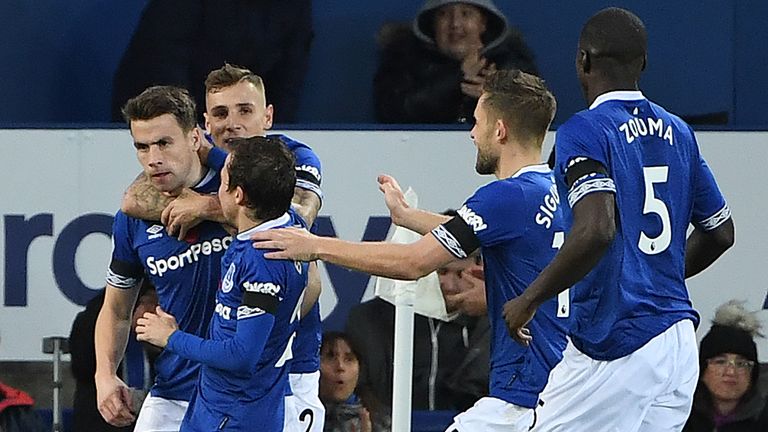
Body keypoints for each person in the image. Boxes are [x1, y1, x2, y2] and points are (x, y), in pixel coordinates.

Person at [251, 69, 571, 432]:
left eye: (477, 122)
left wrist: (316, 246)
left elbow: (412, 263)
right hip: (557, 384)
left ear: (500, 130)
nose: (471, 132)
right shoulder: (552, 191)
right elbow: (482, 232)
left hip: (525, 396)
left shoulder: (506, 196)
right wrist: (407, 216)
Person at [501, 8, 736, 431]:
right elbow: (720, 232)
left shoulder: (585, 130)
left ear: (582, 61)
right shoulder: (679, 131)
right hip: (677, 341)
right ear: (643, 64)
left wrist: (528, 300)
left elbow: (597, 228)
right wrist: (655, 277)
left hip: (616, 340)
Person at [120, 63, 326, 432]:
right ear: (204, 127)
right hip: (206, 385)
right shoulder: (202, 163)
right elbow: (132, 200)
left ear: (268, 116)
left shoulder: (290, 158)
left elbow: (298, 213)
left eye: (244, 111)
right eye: (220, 113)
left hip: (283, 376)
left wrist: (205, 206)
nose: (232, 124)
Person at [135, 136, 309, 432]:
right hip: (223, 407)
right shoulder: (287, 226)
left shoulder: (263, 261)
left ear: (238, 195)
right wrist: (206, 150)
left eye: (223, 180)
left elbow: (242, 356)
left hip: (234, 416)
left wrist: (171, 338)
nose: (217, 189)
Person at [95, 85, 232, 431]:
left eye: (164, 143)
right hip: (172, 393)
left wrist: (211, 208)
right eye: (142, 147)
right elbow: (116, 308)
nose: (152, 158)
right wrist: (105, 374)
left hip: (241, 395)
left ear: (195, 138)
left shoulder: (239, 196)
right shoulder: (132, 220)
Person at [112, 0, 313, 123]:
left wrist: (272, 131)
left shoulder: (294, 6)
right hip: (159, 114)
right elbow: (165, 62)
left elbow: (290, 77)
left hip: (233, 117)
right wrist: (191, 126)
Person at [345, 245, 489, 411]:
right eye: (441, 272)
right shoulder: (369, 319)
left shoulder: (494, 323)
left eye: (459, 274)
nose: (449, 285)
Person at [374, 0, 538, 124]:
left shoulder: (513, 64)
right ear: (432, 25)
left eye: (466, 14)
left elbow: (537, 118)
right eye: (444, 14)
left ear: (483, 24)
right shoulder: (403, 62)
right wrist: (458, 77)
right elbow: (394, 112)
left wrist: (495, 99)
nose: (455, 24)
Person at [70, 283, 158, 432]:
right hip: (100, 419)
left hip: (151, 415)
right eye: (148, 303)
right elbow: (81, 367)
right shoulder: (92, 321)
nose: (154, 310)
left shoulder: (159, 328)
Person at [684, 300, 768, 431]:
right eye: (720, 361)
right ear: (702, 368)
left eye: (741, 364)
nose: (730, 372)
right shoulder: (678, 413)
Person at [319, 332, 391, 432]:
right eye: (330, 357)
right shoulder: (297, 413)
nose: (340, 366)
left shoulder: (381, 421)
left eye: (349, 359)